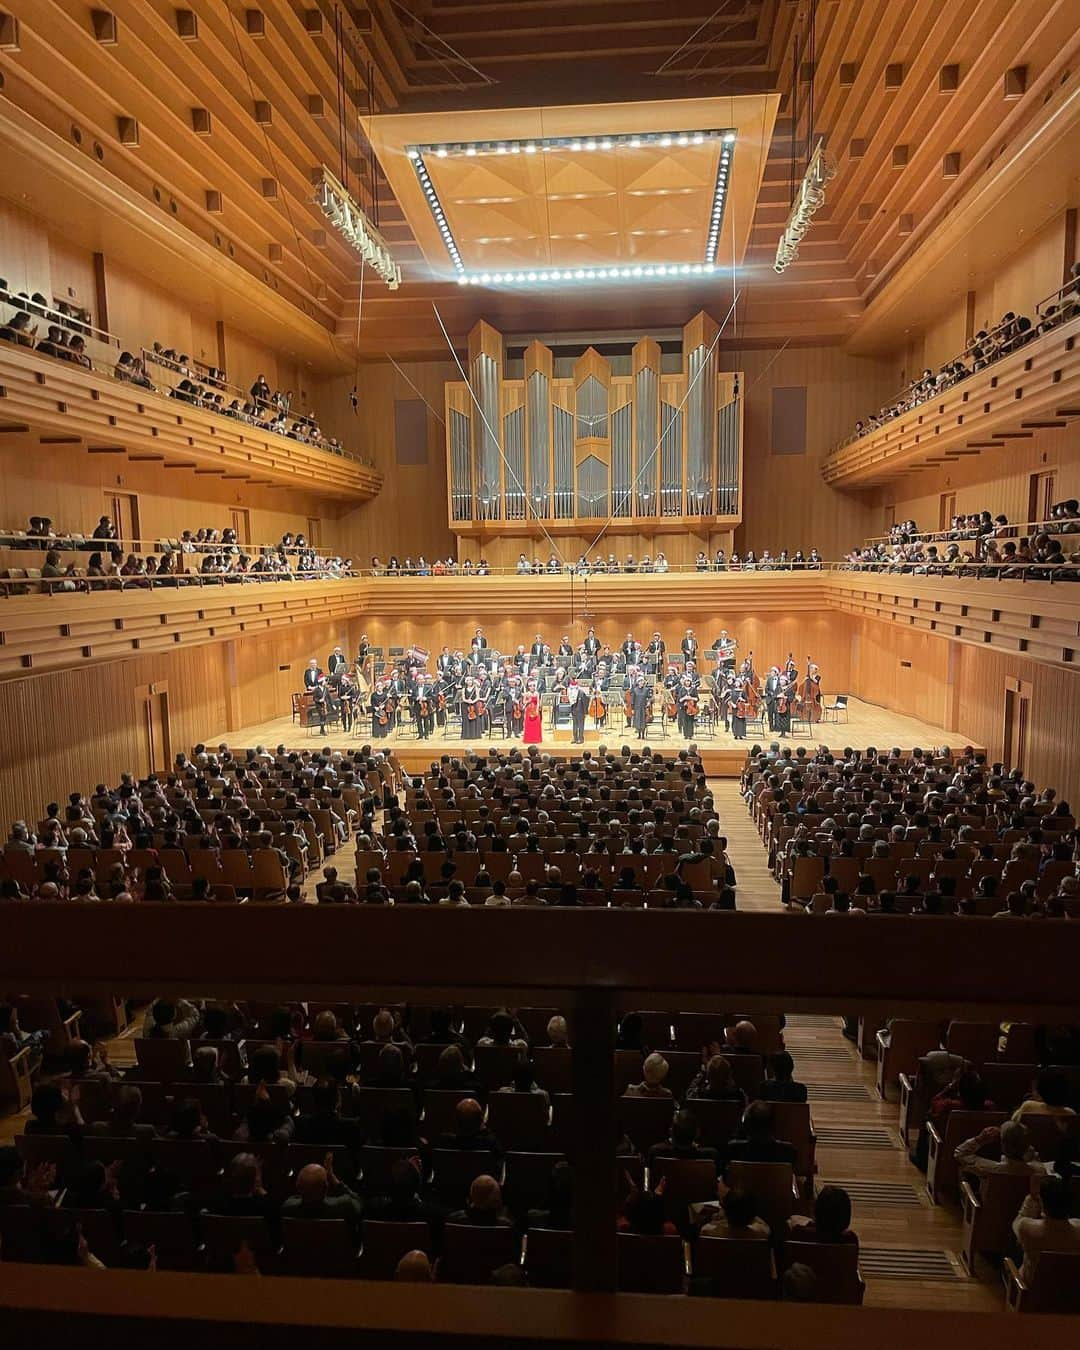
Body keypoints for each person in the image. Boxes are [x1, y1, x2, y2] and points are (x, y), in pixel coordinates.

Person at [1012, 1174, 1080, 1282]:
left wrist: (1032, 1199)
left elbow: (1016, 1224)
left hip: (1031, 1291)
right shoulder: (1078, 1227)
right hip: (1068, 1292)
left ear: (1042, 1203)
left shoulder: (1027, 1228)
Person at [954, 1120, 1043, 1181]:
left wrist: (979, 1139)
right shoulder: (1039, 1171)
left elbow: (960, 1153)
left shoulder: (990, 1169)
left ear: (1003, 1146)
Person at [700, 1186, 770, 1240]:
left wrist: (716, 1221)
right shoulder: (762, 1232)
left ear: (726, 1213)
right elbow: (764, 1225)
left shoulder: (707, 1231)